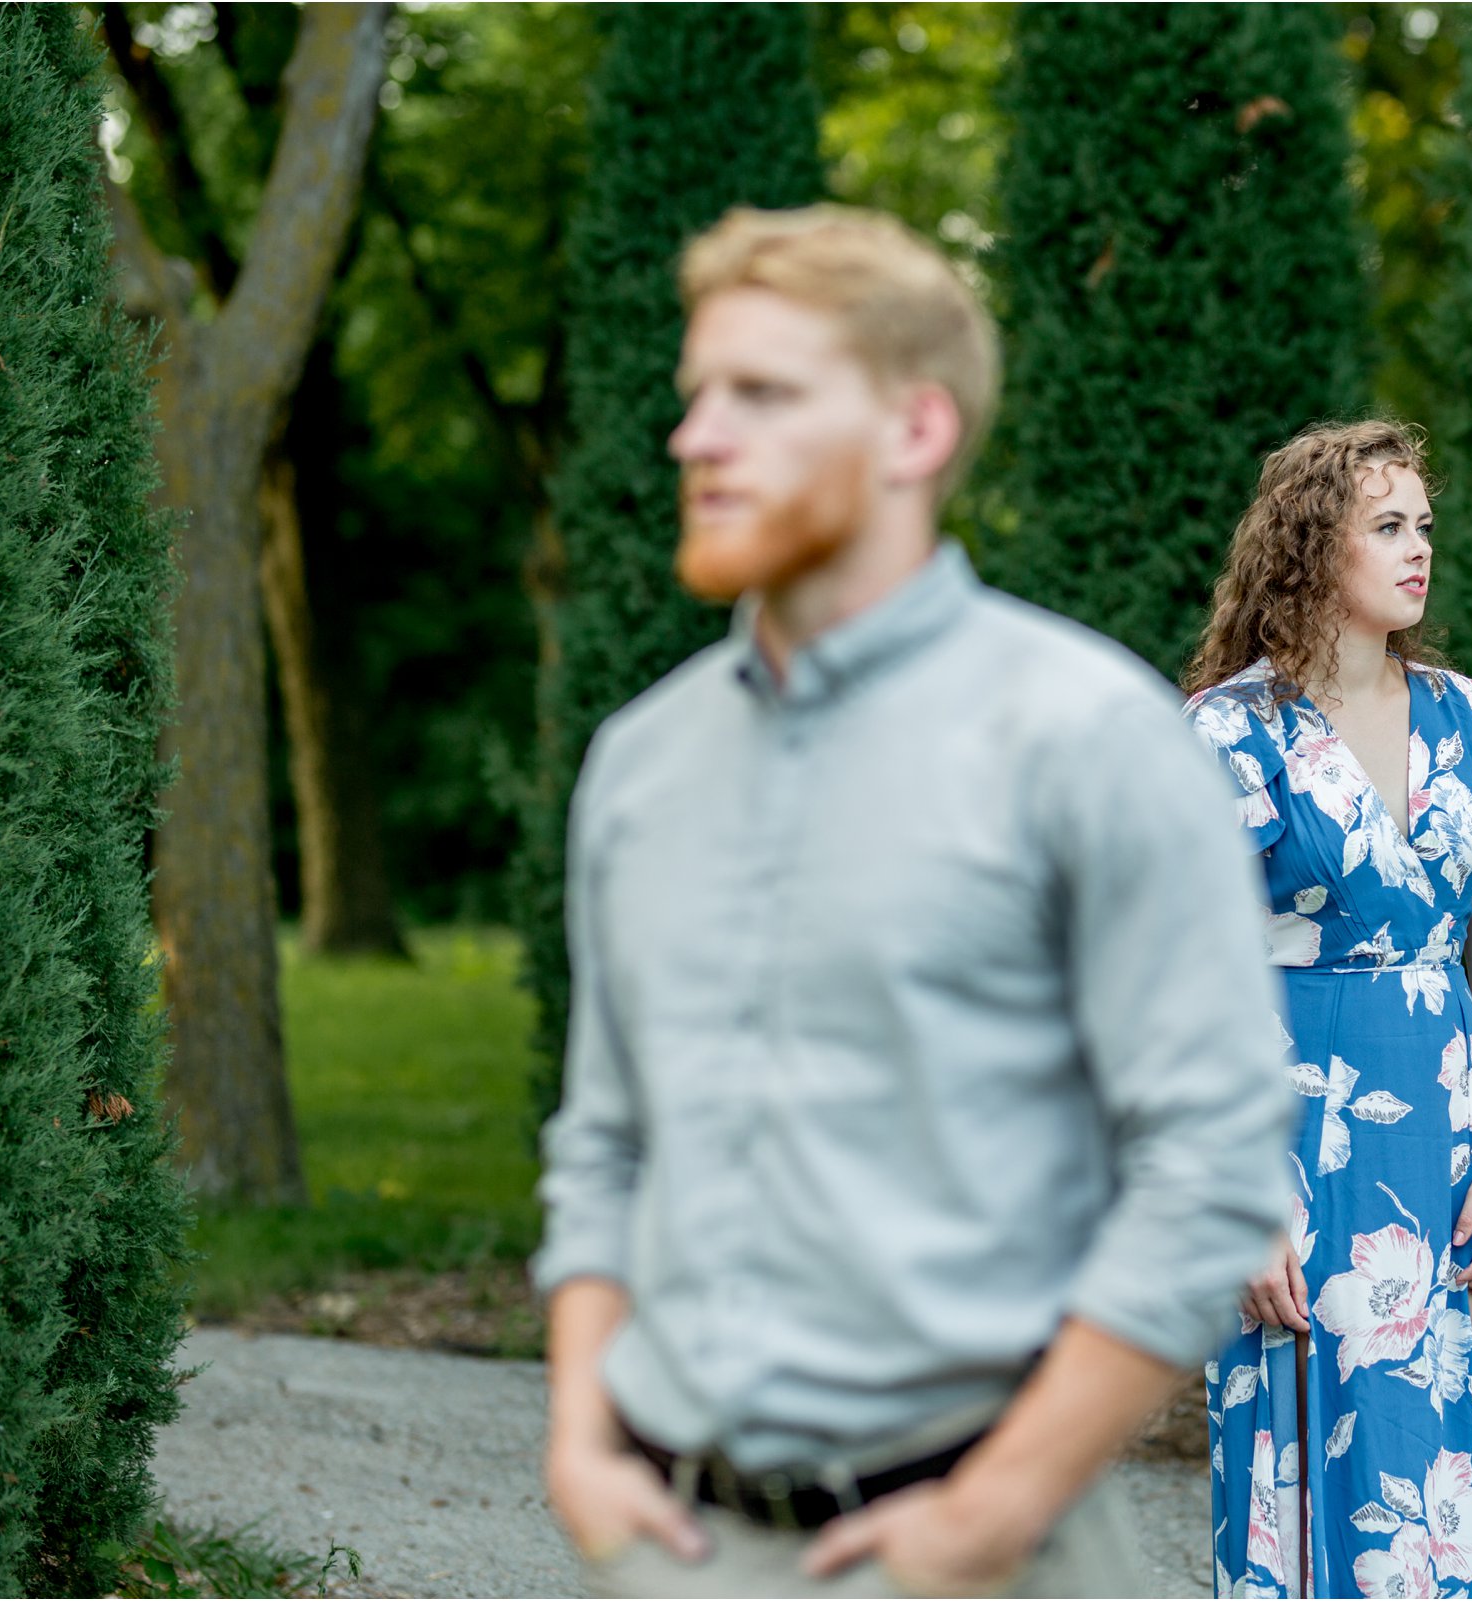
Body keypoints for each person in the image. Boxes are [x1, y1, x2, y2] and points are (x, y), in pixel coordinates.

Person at [531, 203, 1296, 1600]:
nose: (695, 436)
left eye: (759, 393)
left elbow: (1211, 1167)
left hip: (977, 1555)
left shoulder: (1086, 738)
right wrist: (580, 1439)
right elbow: (603, 1143)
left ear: (914, 432)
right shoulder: (637, 764)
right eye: (696, 392)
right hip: (662, 1557)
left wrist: (991, 1511)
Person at [1183, 420, 1472, 1598]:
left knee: (1452, 1455)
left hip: (1449, 1141)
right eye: (1386, 526)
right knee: (1320, 1456)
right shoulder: (1225, 733)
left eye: (1423, 525)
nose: (1418, 549)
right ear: (1308, 546)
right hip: (1297, 1144)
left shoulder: (1469, 717)